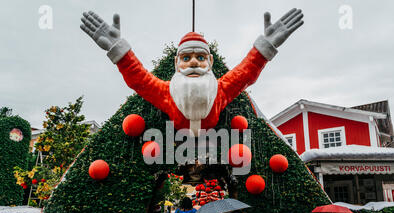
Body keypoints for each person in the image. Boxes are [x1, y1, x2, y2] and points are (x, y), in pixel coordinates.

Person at [81, 9, 304, 137]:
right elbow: (139, 79)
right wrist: (119, 49)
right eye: (187, 58)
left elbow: (245, 73)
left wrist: (265, 46)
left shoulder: (220, 90)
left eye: (200, 57)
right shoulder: (167, 93)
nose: (194, 63)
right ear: (177, 63)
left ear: (210, 61)